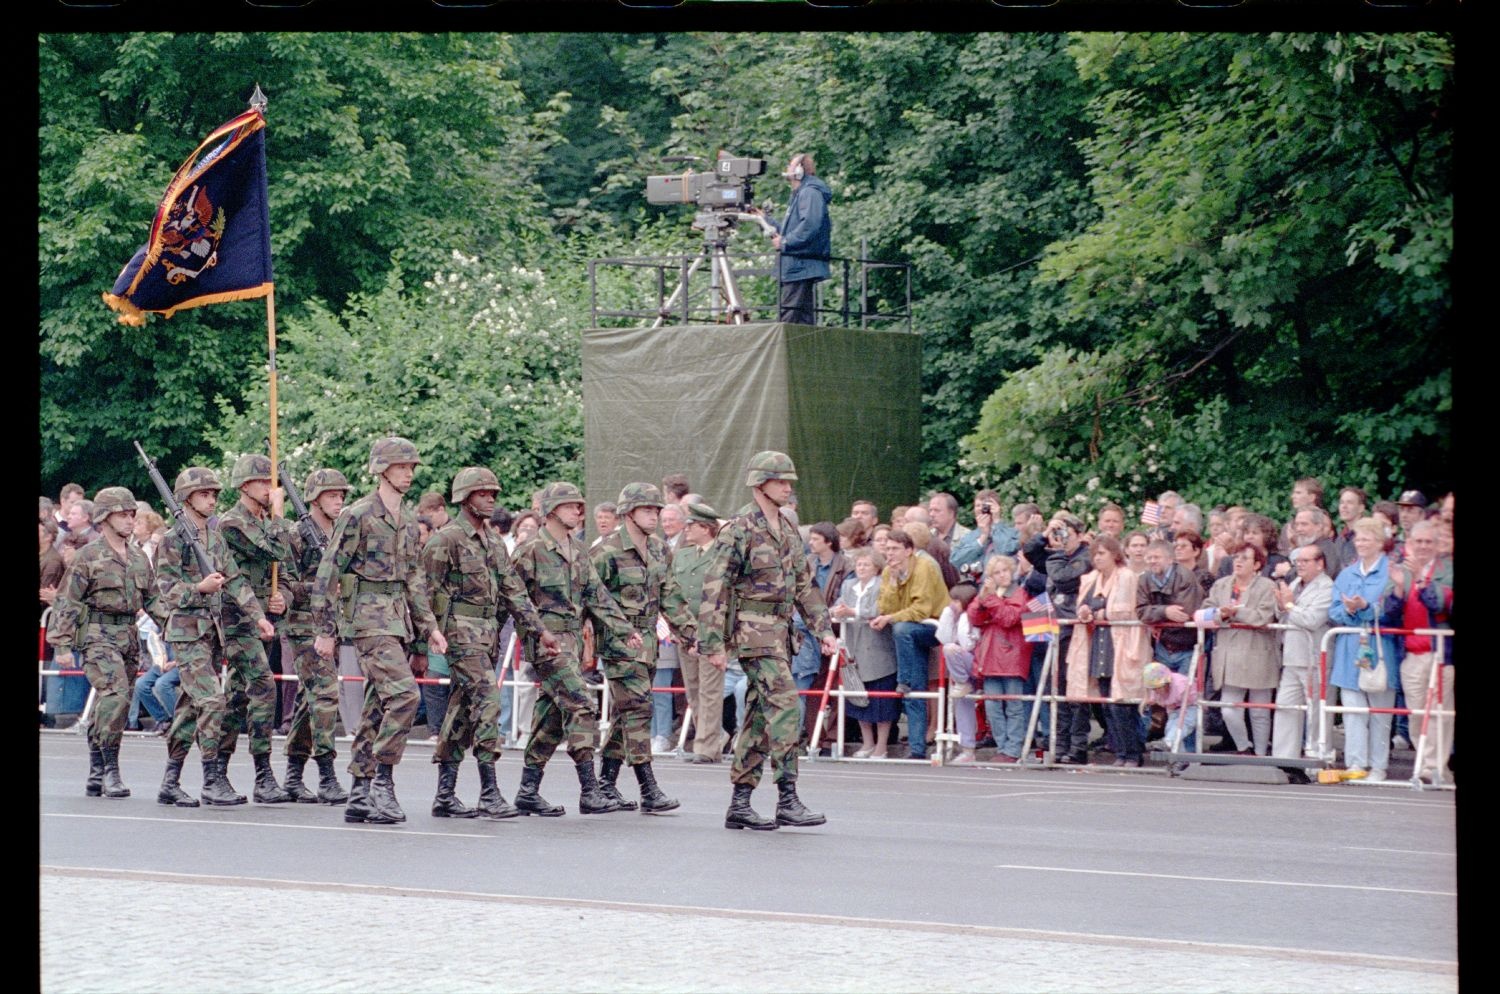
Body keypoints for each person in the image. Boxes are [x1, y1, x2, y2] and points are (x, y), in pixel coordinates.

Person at [698, 451, 838, 830]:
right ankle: (787, 796)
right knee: (786, 704)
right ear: (760, 484)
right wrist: (711, 643)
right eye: (781, 482)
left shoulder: (789, 531)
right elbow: (715, 588)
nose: (788, 488)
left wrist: (823, 629)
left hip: (780, 634)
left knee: (760, 717)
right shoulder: (739, 529)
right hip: (752, 633)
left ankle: (739, 803)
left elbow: (805, 587)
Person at [312, 437, 449, 825]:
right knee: (405, 696)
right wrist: (325, 630)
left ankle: (358, 790)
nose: (408, 472)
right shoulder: (358, 515)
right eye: (402, 466)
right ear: (382, 470)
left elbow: (414, 580)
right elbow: (329, 571)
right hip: (367, 620)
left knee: (377, 705)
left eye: (411, 467)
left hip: (397, 621)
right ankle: (382, 782)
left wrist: (429, 630)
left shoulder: (407, 519)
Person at [421, 468, 558, 820]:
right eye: (484, 493)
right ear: (465, 498)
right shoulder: (446, 540)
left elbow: (514, 590)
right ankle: (488, 791)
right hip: (458, 636)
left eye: (494, 494)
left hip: (486, 636)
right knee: (487, 699)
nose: (491, 499)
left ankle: (444, 794)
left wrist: (539, 630)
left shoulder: (494, 542)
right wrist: (425, 641)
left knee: (461, 712)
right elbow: (423, 594)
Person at [510, 482, 642, 816]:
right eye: (571, 506)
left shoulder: (578, 549)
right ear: (552, 510)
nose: (578, 512)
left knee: (552, 716)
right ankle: (589, 790)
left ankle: (528, 790)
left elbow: (597, 596)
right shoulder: (531, 550)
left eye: (580, 506)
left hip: (571, 639)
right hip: (547, 643)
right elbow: (511, 597)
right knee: (582, 704)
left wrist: (624, 629)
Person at [154, 467, 277, 807]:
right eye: (204, 493)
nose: (211, 499)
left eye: (214, 494)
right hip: (186, 631)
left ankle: (171, 780)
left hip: (212, 632)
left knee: (191, 707)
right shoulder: (172, 539)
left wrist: (259, 618)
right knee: (212, 701)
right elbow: (166, 590)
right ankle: (211, 779)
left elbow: (236, 581)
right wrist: (199, 588)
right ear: (186, 498)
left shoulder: (213, 536)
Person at [592, 483, 697, 814]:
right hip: (619, 642)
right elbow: (590, 598)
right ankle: (648, 787)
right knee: (638, 709)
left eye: (656, 509)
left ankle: (606, 784)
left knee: (627, 712)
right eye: (647, 510)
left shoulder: (659, 550)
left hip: (649, 642)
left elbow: (671, 594)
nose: (654, 514)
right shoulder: (605, 551)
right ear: (628, 514)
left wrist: (691, 632)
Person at [47, 487, 154, 798]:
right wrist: (63, 646)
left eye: (132, 514)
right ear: (105, 518)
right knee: (116, 696)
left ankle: (95, 770)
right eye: (123, 514)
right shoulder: (88, 556)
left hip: (129, 636)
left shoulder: (137, 558)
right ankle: (109, 769)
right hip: (97, 635)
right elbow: (67, 602)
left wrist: (174, 625)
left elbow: (154, 599)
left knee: (115, 705)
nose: (130, 520)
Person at [216, 454, 298, 804]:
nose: (271, 489)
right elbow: (275, 548)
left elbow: (287, 569)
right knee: (264, 685)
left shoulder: (267, 521)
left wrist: (285, 599)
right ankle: (263, 774)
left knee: (237, 695)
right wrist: (279, 516)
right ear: (245, 486)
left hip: (267, 617)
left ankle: (216, 769)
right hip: (238, 618)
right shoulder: (231, 524)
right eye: (265, 482)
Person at [280, 468, 353, 805]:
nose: (339, 500)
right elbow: (283, 585)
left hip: (332, 624)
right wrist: (322, 587)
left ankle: (293, 776)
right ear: (313, 499)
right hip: (303, 624)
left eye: (341, 495)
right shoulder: (295, 535)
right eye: (331, 495)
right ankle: (327, 775)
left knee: (309, 701)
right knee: (325, 694)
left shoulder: (341, 532)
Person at [1327, 517, 1401, 781]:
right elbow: (1333, 610)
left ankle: (1378, 766)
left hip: (1381, 649)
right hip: (1349, 651)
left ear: (1380, 543)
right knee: (1353, 711)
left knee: (1381, 713)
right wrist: (1349, 609)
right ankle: (1356, 764)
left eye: (1366, 538)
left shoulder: (1392, 572)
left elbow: (1395, 609)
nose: (1360, 542)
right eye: (1358, 538)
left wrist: (1366, 608)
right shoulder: (1347, 574)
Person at [1065, 536, 1149, 767]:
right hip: (1098, 643)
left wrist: (1102, 614)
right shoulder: (1091, 579)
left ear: (1114, 554)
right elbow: (1084, 604)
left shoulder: (1127, 576)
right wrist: (1083, 611)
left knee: (1121, 703)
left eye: (1102, 553)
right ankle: (1120, 752)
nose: (1097, 558)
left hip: (1121, 644)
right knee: (1105, 703)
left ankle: (1133, 752)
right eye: (1095, 554)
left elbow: (1128, 610)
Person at [1382, 520, 1453, 783]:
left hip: (1440, 655)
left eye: (1428, 542)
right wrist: (1399, 588)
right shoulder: (1403, 571)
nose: (1423, 546)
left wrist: (1423, 578)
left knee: (1439, 716)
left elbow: (1440, 606)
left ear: (1436, 545)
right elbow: (1387, 614)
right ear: (1409, 543)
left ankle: (1435, 768)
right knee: (1416, 714)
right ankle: (1423, 764)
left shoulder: (1447, 571)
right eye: (1418, 541)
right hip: (1411, 654)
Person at [869, 528, 946, 761]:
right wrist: (893, 582)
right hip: (909, 632)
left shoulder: (925, 567)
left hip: (933, 625)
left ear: (909, 550)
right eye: (887, 549)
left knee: (901, 629)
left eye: (894, 549)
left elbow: (921, 609)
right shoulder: (887, 571)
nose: (889, 553)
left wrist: (891, 618)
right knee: (916, 687)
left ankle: (903, 678)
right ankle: (917, 749)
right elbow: (884, 607)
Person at [663, 503, 725, 764]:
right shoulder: (684, 555)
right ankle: (710, 736)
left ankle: (706, 745)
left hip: (711, 631)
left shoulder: (721, 556)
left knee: (710, 689)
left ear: (706, 528)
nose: (686, 529)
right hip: (686, 631)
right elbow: (673, 592)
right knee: (694, 689)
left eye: (692, 525)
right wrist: (675, 626)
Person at [1204, 544, 1280, 756]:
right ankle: (1243, 747)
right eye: (1236, 557)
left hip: (1258, 654)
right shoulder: (1221, 585)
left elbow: (1263, 616)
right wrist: (1220, 614)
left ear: (1257, 565)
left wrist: (1235, 613)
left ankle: (1262, 753)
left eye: (1245, 558)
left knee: (1259, 711)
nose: (1238, 561)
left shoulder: (1266, 586)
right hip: (1229, 655)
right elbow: (1205, 610)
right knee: (1228, 708)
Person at [1272, 543, 1334, 782]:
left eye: (1305, 561)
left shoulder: (1327, 588)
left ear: (1320, 564)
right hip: (1292, 657)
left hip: (1314, 659)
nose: (1299, 565)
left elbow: (1312, 619)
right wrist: (1282, 605)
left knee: (1318, 712)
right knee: (1285, 707)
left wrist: (1288, 605)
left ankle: (1319, 760)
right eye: (1298, 561)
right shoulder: (1296, 584)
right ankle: (1283, 760)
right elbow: (1285, 614)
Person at [831, 548, 899, 758]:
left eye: (866, 564)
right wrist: (837, 611)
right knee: (857, 697)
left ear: (876, 567)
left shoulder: (882, 584)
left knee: (881, 700)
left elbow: (880, 609)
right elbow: (837, 605)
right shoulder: (848, 585)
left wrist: (853, 612)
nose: (861, 568)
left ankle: (882, 745)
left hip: (878, 648)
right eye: (859, 564)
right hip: (854, 647)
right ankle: (867, 742)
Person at [791, 521, 850, 748]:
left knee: (832, 688)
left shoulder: (846, 565)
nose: (811, 542)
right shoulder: (808, 563)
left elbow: (844, 596)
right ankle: (814, 736)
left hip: (832, 629)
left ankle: (831, 738)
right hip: (809, 630)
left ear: (829, 542)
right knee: (808, 686)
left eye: (816, 539)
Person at [967, 555, 1031, 763]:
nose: (1002, 575)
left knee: (1013, 706)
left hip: (1012, 656)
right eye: (996, 572)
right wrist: (981, 600)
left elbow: (1009, 618)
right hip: (990, 656)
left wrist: (990, 599)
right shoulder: (990, 595)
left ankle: (1012, 749)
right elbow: (974, 618)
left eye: (1005, 570)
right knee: (993, 707)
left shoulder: (1020, 593)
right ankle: (1003, 747)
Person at [762, 153, 832, 326]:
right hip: (799, 266)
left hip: (799, 267)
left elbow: (810, 225)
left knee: (789, 317)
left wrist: (785, 243)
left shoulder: (809, 193)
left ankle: (778, 351)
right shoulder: (801, 194)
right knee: (801, 320)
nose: (787, 169)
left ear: (799, 171)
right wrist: (764, 220)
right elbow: (793, 231)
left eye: (790, 165)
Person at [1044, 512, 1092, 764]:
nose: (1061, 539)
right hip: (1056, 630)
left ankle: (1077, 746)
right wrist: (1046, 536)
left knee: (1075, 691)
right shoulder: (1056, 555)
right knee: (1058, 690)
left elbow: (1064, 578)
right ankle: (1060, 745)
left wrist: (1059, 551)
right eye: (1058, 533)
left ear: (1080, 535)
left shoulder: (1087, 556)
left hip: (1076, 630)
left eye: (1066, 533)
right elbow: (1034, 556)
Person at [936, 582, 981, 764]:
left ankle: (963, 682)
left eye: (956, 601)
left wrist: (962, 620)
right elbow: (943, 637)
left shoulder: (972, 617)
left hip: (977, 664)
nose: (952, 604)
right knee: (962, 703)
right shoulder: (952, 615)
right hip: (961, 669)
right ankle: (967, 749)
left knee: (950, 649)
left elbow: (968, 644)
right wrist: (948, 616)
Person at [1142, 661, 1199, 773]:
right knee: (1170, 729)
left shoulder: (1181, 684)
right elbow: (1158, 700)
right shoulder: (1156, 690)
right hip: (1173, 710)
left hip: (1190, 707)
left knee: (1181, 727)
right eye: (1154, 688)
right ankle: (1181, 760)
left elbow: (1191, 699)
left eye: (1159, 687)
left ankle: (1167, 743)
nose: (1156, 690)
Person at [952, 490, 1019, 580]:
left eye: (985, 505)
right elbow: (955, 561)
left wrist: (996, 523)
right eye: (977, 506)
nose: (981, 509)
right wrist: (982, 538)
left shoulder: (1012, 533)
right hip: (976, 587)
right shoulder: (969, 536)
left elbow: (1004, 552)